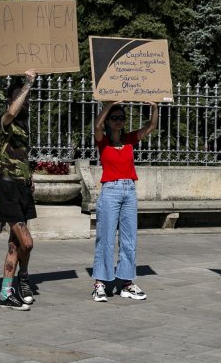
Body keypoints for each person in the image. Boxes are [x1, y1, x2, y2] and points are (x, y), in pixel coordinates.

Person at [91, 101, 158, 302]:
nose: (118, 121)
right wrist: (109, 105)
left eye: (121, 118)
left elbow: (151, 126)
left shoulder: (129, 140)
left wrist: (155, 107)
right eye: (114, 118)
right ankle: (100, 283)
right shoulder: (102, 141)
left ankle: (127, 283)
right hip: (110, 190)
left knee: (130, 239)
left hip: (129, 190)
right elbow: (96, 126)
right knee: (106, 237)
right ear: (108, 121)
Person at [0, 70, 38, 311]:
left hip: (21, 188)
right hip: (7, 187)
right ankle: (24, 278)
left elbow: (20, 156)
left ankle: (5, 293)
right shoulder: (4, 121)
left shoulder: (24, 126)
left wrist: (29, 176)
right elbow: (12, 111)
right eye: (22, 97)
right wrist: (27, 84)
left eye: (28, 97)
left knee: (15, 246)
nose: (26, 101)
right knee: (27, 243)